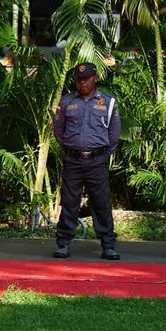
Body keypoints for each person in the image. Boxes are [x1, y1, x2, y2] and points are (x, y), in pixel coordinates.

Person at [53, 62, 121, 260]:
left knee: (101, 202)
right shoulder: (66, 102)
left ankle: (108, 245)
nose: (82, 83)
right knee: (69, 202)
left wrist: (102, 154)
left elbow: (114, 133)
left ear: (95, 78)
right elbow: (59, 130)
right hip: (73, 160)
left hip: (97, 161)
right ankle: (63, 243)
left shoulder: (108, 102)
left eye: (87, 79)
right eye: (79, 79)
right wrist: (70, 148)